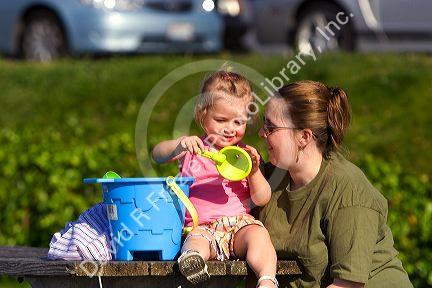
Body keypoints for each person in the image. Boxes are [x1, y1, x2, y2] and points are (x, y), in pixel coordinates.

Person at [257, 80, 413, 288]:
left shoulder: (348, 190)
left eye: (271, 127)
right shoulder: (268, 179)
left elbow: (347, 285)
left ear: (303, 137)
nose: (261, 133)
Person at [152, 69, 278, 287]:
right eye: (221, 120)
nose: (230, 129)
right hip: (202, 226)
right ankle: (193, 262)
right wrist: (178, 145)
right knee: (196, 243)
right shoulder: (192, 149)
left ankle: (267, 279)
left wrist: (255, 172)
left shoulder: (244, 157)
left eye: (239, 122)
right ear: (202, 115)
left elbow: (262, 198)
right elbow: (157, 154)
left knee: (258, 236)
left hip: (239, 226)